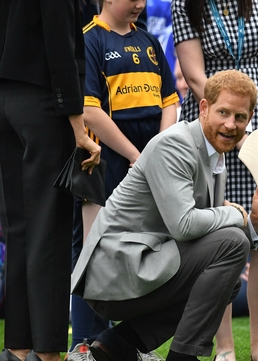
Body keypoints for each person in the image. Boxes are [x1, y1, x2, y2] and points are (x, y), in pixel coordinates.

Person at [70, 70, 258, 361]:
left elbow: (212, 238)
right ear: (204, 108)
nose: (230, 124)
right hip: (114, 272)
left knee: (230, 271)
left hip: (145, 262)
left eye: (240, 117)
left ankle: (116, 343)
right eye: (223, 112)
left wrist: (254, 221)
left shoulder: (214, 151)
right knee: (233, 243)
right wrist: (238, 215)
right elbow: (185, 226)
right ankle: (183, 357)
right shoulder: (176, 144)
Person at [171, 1, 258, 360]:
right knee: (217, 233)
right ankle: (224, 347)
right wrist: (237, 132)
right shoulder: (185, 5)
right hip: (216, 119)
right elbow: (196, 76)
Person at [68, 0, 179, 354]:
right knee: (95, 254)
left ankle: (129, 344)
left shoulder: (149, 40)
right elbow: (88, 110)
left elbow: (170, 102)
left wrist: (155, 153)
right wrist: (137, 156)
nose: (140, 4)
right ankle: (86, 345)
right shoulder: (88, 39)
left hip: (146, 161)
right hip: (104, 164)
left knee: (144, 253)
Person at [0, 0, 102, 360]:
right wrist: (78, 126)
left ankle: (17, 347)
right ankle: (46, 354)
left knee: (21, 231)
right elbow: (60, 42)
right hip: (43, 103)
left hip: (6, 100)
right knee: (49, 235)